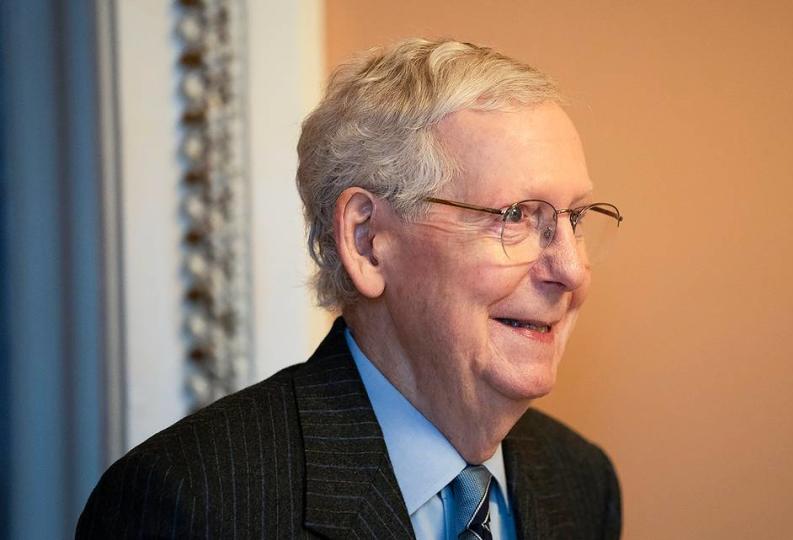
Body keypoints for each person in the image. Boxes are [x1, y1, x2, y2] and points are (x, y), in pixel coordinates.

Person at [78, 38, 623, 539]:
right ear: (367, 241)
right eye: (516, 216)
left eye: (575, 218)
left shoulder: (580, 481)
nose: (570, 271)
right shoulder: (191, 502)